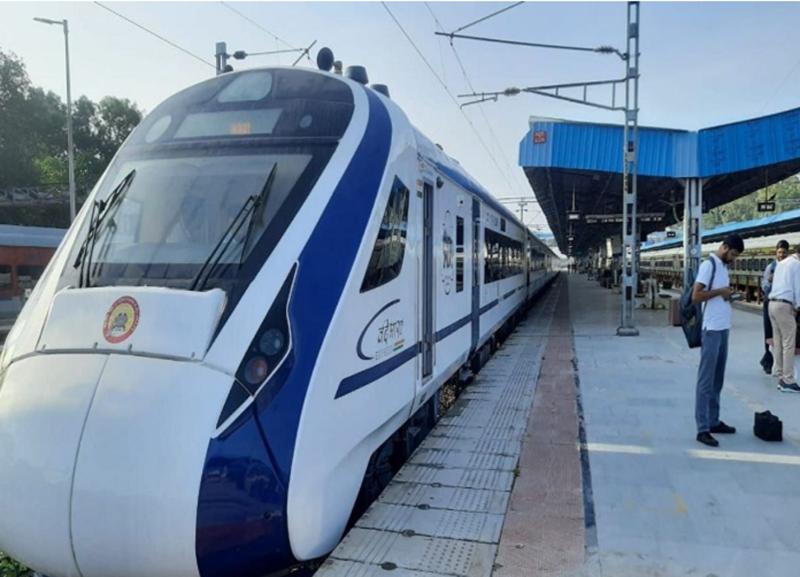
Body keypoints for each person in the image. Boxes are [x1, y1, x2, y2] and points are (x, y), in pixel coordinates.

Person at [691, 234, 745, 447]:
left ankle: (713, 420)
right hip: (711, 329)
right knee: (706, 380)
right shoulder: (709, 265)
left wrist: (729, 295)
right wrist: (720, 291)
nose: (733, 258)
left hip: (723, 328)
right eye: (733, 254)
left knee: (717, 380)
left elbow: (717, 295)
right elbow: (696, 296)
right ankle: (702, 428)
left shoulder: (723, 267)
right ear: (724, 247)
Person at [767, 243, 800, 393]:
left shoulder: (782, 263)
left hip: (772, 304)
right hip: (784, 306)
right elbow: (798, 287)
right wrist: (798, 306)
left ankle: (779, 373)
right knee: (788, 343)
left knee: (778, 341)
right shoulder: (797, 265)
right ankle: (788, 380)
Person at [760, 240, 790, 373]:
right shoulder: (771, 267)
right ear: (776, 252)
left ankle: (780, 363)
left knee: (782, 335)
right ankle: (768, 361)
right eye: (779, 252)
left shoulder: (790, 267)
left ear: (788, 253)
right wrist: (771, 280)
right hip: (770, 303)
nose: (781, 255)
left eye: (784, 252)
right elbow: (764, 286)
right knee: (769, 333)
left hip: (785, 304)